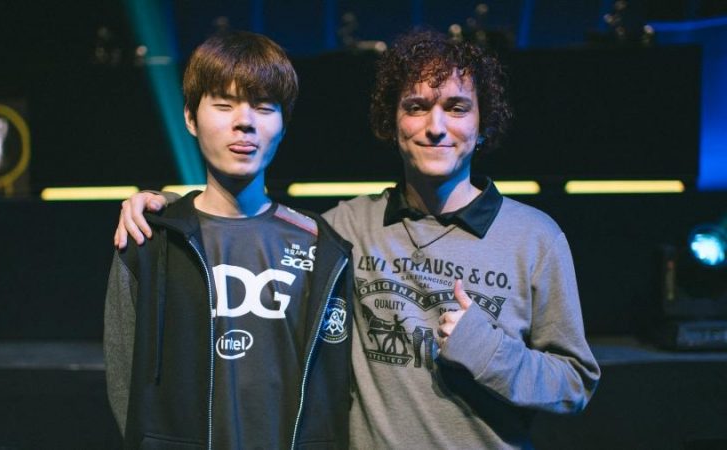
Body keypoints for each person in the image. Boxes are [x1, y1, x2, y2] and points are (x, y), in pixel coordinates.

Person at [115, 29, 600, 449]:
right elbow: (248, 219)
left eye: (456, 108)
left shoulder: (534, 238)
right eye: (416, 107)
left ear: (482, 124)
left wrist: (488, 351)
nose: (435, 127)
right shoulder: (345, 228)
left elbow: (575, 384)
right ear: (393, 122)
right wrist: (165, 205)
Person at [104, 31, 354, 450]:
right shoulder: (148, 241)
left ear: (283, 123)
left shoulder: (323, 247)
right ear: (190, 118)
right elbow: (124, 383)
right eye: (224, 104)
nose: (245, 122)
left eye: (264, 106)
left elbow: (337, 390)